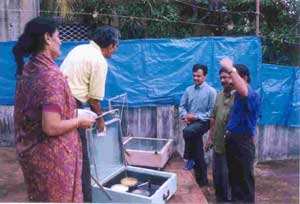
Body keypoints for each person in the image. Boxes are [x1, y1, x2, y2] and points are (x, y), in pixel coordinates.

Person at [13, 17, 95, 202]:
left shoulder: (30, 68)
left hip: (33, 158)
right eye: (58, 36)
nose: (61, 41)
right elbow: (51, 126)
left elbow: (36, 111)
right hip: (52, 162)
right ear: (47, 38)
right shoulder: (50, 76)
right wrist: (81, 121)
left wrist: (72, 110)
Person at [60, 25, 121, 202]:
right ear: (110, 45)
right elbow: (94, 100)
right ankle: (86, 198)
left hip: (57, 102)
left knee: (67, 152)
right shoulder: (99, 61)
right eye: (115, 47)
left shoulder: (79, 49)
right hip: (72, 104)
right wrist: (101, 120)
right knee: (82, 155)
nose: (115, 51)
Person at [220, 57, 261, 203]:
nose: (229, 81)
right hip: (235, 141)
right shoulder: (237, 95)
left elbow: (244, 91)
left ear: (244, 77)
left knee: (244, 181)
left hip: (242, 142)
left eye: (232, 77)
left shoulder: (250, 93)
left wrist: (230, 68)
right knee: (235, 178)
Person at [179, 64, 216, 186]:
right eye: (194, 75)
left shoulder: (211, 92)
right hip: (191, 122)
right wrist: (185, 116)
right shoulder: (188, 90)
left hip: (204, 122)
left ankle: (189, 157)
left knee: (187, 132)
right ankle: (202, 181)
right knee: (197, 148)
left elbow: (212, 112)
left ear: (205, 76)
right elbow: (182, 106)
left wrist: (195, 116)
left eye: (199, 76)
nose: (196, 78)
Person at [205, 68, 234, 202]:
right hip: (217, 142)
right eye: (221, 78)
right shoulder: (219, 95)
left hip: (231, 144)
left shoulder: (238, 97)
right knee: (217, 174)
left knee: (229, 174)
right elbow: (213, 118)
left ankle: (228, 199)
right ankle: (219, 199)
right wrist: (210, 138)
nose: (223, 80)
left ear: (233, 78)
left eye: (226, 77)